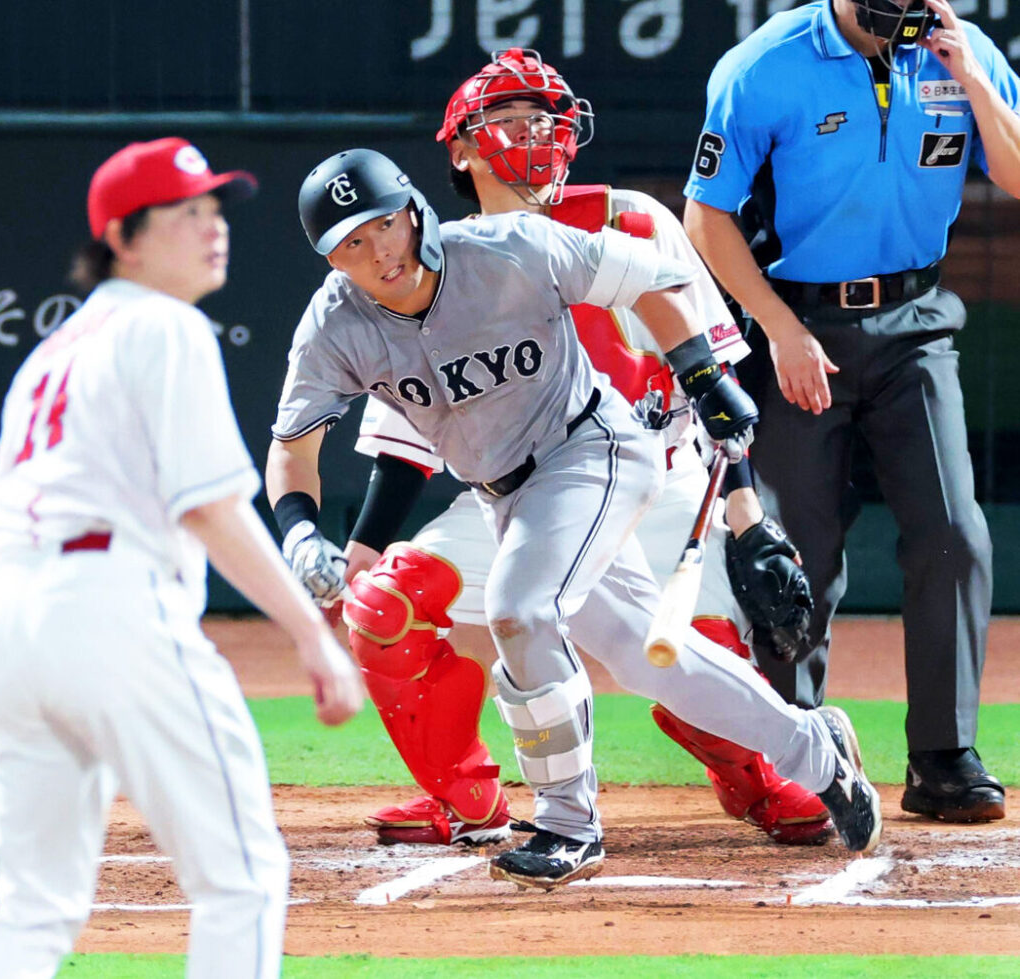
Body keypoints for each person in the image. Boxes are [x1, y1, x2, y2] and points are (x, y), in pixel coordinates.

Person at [268, 145, 882, 891]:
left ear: (414, 212)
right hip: (507, 493)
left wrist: (702, 377)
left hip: (595, 447)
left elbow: (649, 277)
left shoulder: (510, 246)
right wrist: (300, 531)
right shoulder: (334, 325)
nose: (379, 251)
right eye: (351, 244)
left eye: (385, 224)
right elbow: (293, 451)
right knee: (645, 655)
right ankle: (817, 749)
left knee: (521, 609)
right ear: (332, 259)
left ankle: (566, 819)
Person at [338, 48, 829, 851]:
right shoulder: (434, 259)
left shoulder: (629, 218)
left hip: (657, 479)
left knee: (694, 648)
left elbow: (715, 388)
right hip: (515, 496)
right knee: (385, 604)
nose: (531, 132)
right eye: (507, 119)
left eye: (543, 116)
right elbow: (401, 445)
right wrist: (360, 552)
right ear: (459, 148)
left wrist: (747, 518)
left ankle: (759, 773)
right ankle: (463, 796)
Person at [0, 137, 363, 979]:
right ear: (122, 240)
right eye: (186, 213)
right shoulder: (163, 326)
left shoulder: (46, 359)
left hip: (16, 635)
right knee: (240, 878)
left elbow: (4, 546)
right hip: (117, 616)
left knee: (25, 909)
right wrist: (310, 636)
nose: (214, 229)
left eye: (215, 210)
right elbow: (207, 505)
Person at [683, 0, 1016, 823]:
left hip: (916, 326)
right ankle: (797, 757)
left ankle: (944, 755)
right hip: (798, 324)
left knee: (954, 532)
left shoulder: (958, 49)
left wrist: (973, 83)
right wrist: (778, 326)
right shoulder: (765, 64)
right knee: (798, 556)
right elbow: (706, 216)